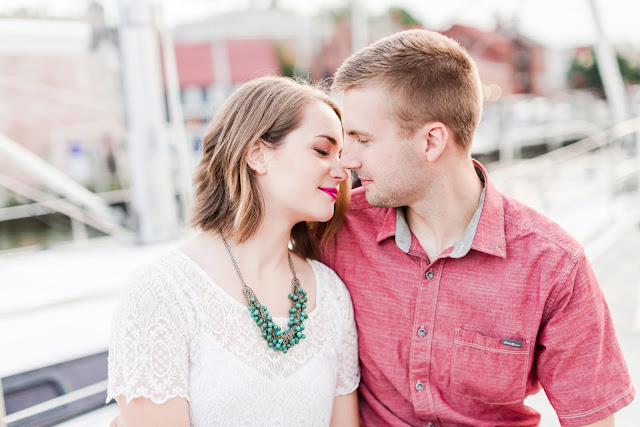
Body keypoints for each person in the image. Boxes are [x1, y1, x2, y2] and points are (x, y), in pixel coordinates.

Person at [319, 29, 634, 426]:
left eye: (362, 139)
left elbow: (592, 420)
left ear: (432, 142)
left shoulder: (554, 266)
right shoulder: (336, 228)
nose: (346, 160)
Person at [106, 76, 360, 426]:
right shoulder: (162, 290)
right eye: (322, 150)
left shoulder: (331, 294)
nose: (342, 171)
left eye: (341, 155)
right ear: (257, 153)